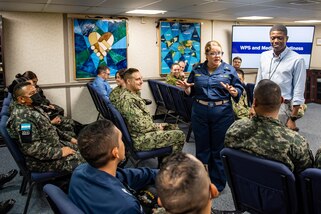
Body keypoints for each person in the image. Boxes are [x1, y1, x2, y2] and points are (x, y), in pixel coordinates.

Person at [177, 40, 243, 192]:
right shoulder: (197, 69)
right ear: (206, 55)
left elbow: (239, 88)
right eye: (212, 53)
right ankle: (201, 181)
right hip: (200, 112)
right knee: (202, 148)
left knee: (218, 149)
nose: (216, 56)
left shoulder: (229, 69)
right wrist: (187, 89)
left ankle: (218, 184)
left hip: (222, 113)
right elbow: (190, 90)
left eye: (219, 53)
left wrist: (235, 91)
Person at [69, 119, 158, 214]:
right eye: (121, 139)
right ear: (115, 152)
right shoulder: (127, 206)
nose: (123, 143)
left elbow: (127, 175)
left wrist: (164, 174)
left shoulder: (79, 171)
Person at [225, 79, 313, 173]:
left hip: (242, 186)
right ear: (282, 100)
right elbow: (307, 176)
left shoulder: (234, 129)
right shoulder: (296, 143)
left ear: (254, 102)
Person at [7, 82, 84, 172]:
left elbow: (50, 128)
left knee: (87, 149)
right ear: (21, 99)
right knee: (89, 160)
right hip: (42, 162)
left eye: (35, 91)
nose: (36, 95)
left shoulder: (33, 107)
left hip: (54, 147)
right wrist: (60, 152)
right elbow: (31, 148)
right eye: (31, 94)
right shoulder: (23, 119)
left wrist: (71, 139)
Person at [111, 68, 185, 153]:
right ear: (128, 81)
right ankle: (171, 164)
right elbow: (140, 127)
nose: (141, 82)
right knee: (180, 135)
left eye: (141, 78)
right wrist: (157, 127)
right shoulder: (128, 100)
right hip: (140, 139)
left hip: (143, 131)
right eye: (137, 79)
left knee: (173, 126)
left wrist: (159, 126)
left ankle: (164, 160)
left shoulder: (131, 94)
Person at [256, 24, 306, 132]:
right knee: (262, 138)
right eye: (273, 38)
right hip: (262, 105)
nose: (276, 41)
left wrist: (293, 118)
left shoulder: (297, 59)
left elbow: (299, 90)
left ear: (286, 39)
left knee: (279, 142)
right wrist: (253, 106)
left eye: (280, 38)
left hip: (282, 108)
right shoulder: (264, 56)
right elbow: (258, 83)